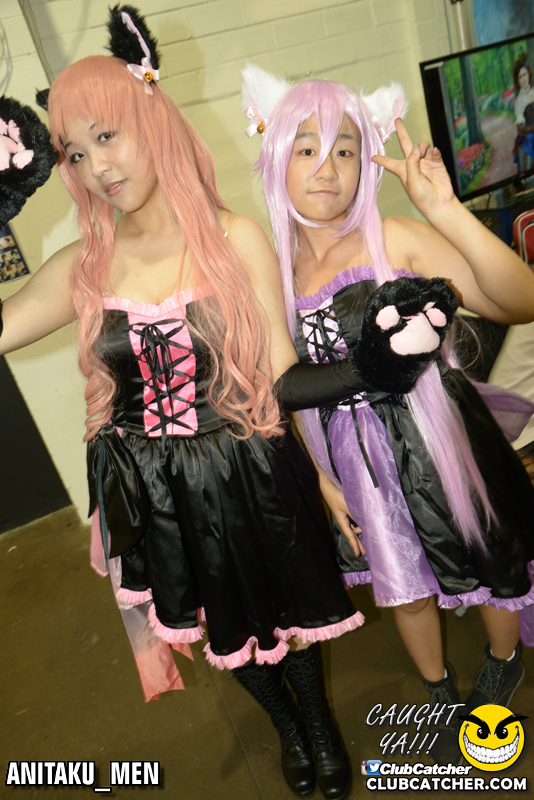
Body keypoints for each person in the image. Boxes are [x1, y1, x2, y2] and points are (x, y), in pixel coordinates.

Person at [0, 9, 364, 800]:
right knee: (211, 622)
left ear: (152, 116)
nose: (97, 166)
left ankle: (319, 723)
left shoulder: (234, 239)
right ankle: (286, 725)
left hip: (249, 470)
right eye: (75, 151)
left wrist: (328, 457)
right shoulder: (82, 266)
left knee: (288, 615)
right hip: (152, 490)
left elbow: (279, 373)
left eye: (108, 136)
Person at [245, 68, 534, 764]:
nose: (327, 168)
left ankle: (503, 661)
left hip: (440, 441)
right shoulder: (269, 273)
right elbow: (285, 389)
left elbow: (521, 300)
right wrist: (322, 479)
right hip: (353, 462)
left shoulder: (394, 238)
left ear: (365, 163)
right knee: (402, 587)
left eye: (345, 149)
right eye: (307, 148)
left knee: (481, 559)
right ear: (276, 157)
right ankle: (438, 692)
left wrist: (446, 209)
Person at [513, 55, 534, 173]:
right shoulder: (519, 101)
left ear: (529, 74)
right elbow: (520, 128)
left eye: (524, 74)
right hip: (529, 139)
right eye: (520, 77)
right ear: (517, 81)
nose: (523, 79)